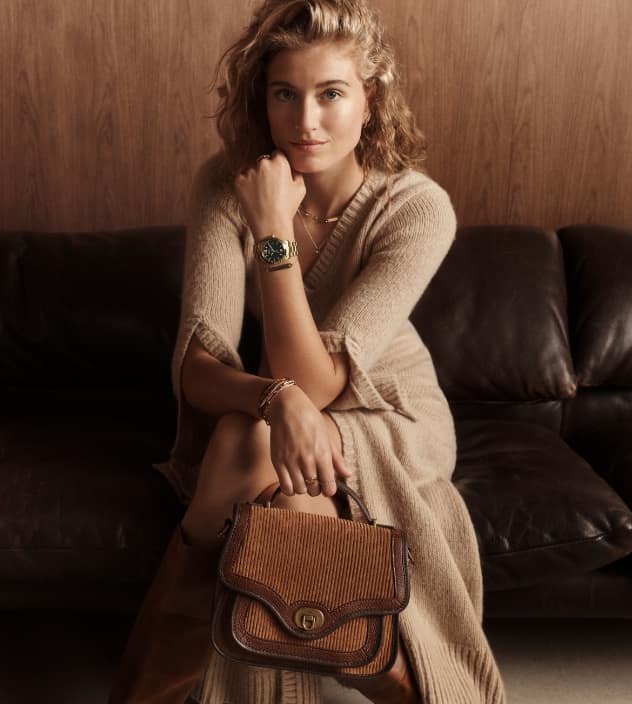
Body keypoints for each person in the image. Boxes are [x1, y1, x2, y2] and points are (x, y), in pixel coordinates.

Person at [108, 1, 507, 703]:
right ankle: (403, 685)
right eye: (284, 94)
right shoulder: (225, 183)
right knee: (271, 479)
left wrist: (273, 234)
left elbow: (317, 380)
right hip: (279, 407)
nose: (305, 120)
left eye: (331, 94)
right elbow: (198, 366)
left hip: (392, 412)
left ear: (371, 99)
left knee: (242, 450)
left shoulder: (415, 208)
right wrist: (277, 399)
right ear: (260, 99)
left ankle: (146, 695)